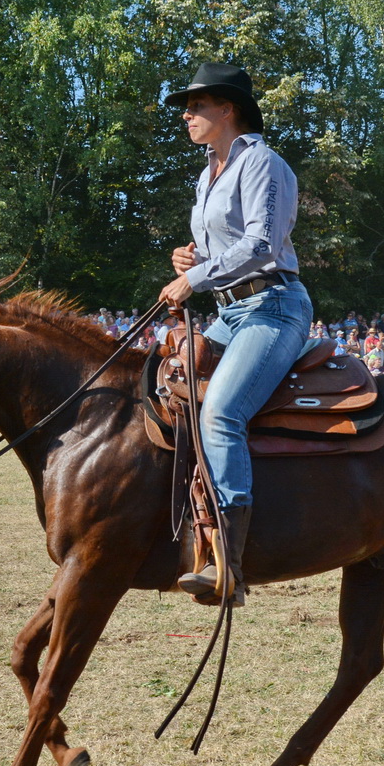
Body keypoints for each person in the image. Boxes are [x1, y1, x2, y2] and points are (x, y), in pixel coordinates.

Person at [157, 61, 311, 604]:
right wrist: (189, 258)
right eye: (189, 106)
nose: (187, 114)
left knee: (221, 411)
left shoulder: (261, 163)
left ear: (229, 109)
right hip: (228, 312)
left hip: (273, 308)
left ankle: (229, 562)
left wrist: (193, 278)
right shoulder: (207, 172)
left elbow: (262, 245)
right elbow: (221, 247)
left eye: (198, 105)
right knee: (163, 386)